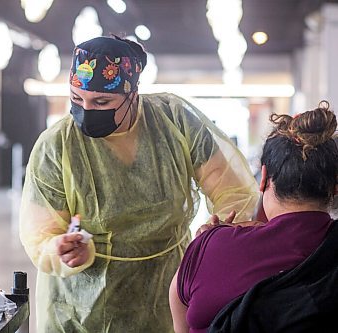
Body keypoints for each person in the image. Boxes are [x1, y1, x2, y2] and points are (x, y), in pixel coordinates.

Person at [20, 35, 259, 332]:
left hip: (165, 294)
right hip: (83, 309)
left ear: (133, 93)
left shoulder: (174, 121)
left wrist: (221, 232)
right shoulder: (57, 146)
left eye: (102, 101)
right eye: (76, 99)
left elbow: (233, 190)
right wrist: (63, 250)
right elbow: (40, 234)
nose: (87, 111)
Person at [170, 102, 338, 333]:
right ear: (335, 186)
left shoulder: (211, 247)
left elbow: (180, 318)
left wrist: (210, 244)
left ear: (264, 178)